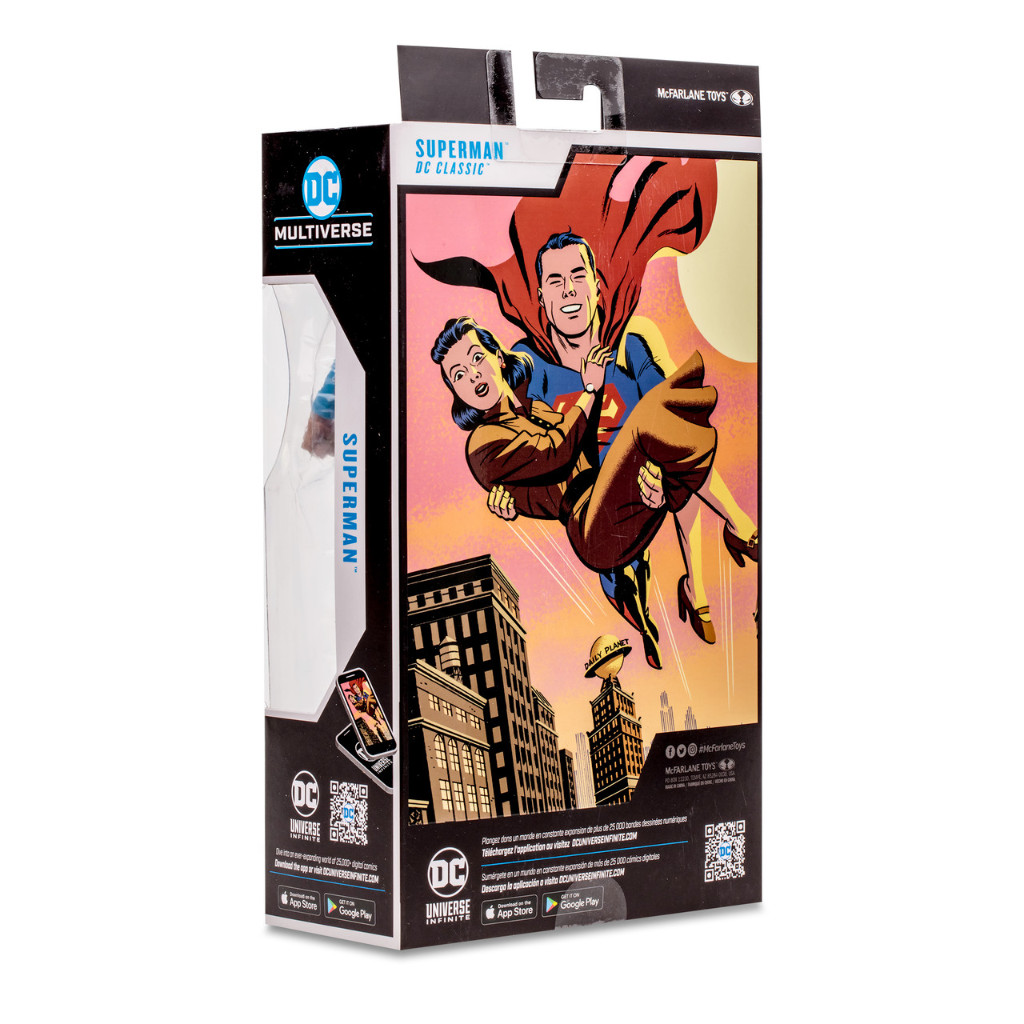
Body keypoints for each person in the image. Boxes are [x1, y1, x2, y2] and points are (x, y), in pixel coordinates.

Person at [431, 318, 724, 595]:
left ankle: (672, 495)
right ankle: (731, 524)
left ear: (498, 357)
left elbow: (583, 443)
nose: (473, 375)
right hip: (592, 527)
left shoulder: (532, 407)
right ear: (455, 391)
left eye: (476, 358)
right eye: (458, 375)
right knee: (650, 420)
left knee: (658, 430)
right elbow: (555, 454)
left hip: (614, 496)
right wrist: (590, 389)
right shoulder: (482, 442)